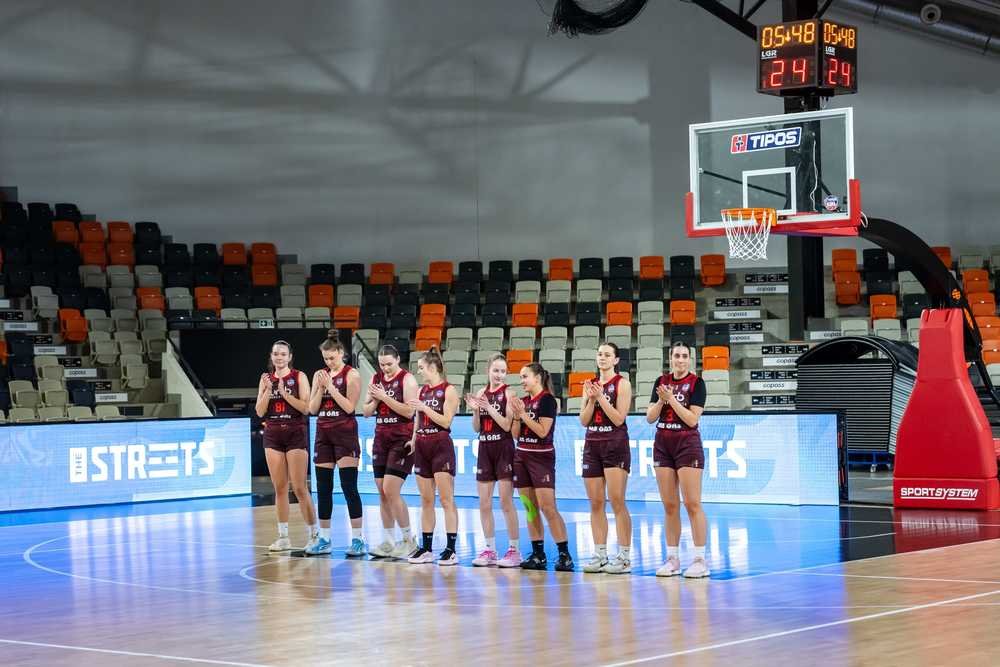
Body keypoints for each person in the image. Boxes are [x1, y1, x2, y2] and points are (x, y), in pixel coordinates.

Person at [646, 341, 710, 578]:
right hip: (663, 444)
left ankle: (700, 560)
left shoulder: (697, 383)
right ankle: (672, 559)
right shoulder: (660, 382)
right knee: (670, 505)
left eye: (684, 356)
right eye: (677, 356)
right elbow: (650, 417)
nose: (680, 360)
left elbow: (692, 419)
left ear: (690, 359)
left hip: (687, 444)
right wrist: (661, 400)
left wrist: (671, 399)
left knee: (692, 503)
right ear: (670, 358)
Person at [305, 331, 366, 557]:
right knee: (323, 489)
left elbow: (350, 407)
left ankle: (358, 539)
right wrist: (321, 388)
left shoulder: (352, 374)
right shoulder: (319, 375)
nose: (329, 362)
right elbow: (312, 409)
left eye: (332, 357)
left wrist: (330, 387)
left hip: (345, 433)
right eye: (325, 358)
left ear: (341, 353)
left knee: (349, 487)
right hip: (323, 433)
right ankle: (324, 539)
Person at [254, 340, 319, 552]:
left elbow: (306, 408)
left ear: (290, 357)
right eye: (276, 354)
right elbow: (260, 411)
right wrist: (268, 390)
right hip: (273, 433)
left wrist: (284, 393)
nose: (279, 357)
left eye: (283, 354)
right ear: (271, 357)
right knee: (280, 488)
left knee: (299, 487)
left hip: (295, 431)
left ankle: (314, 535)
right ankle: (283, 537)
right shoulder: (265, 379)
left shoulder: (299, 376)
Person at [510, 363, 574, 572]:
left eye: (525, 376)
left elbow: (543, 432)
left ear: (537, 378)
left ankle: (564, 554)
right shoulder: (524, 401)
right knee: (530, 507)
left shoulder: (547, 400)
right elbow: (516, 435)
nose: (522, 381)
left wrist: (523, 415)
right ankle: (538, 554)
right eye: (521, 377)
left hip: (541, 457)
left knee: (548, 507)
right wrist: (517, 416)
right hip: (521, 456)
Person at [579, 342, 633, 575]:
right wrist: (591, 399)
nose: (602, 358)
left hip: (614, 443)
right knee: (595, 502)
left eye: (607, 355)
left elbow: (619, 418)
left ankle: (624, 556)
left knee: (617, 500)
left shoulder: (622, 383)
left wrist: (600, 397)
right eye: (600, 354)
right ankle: (600, 554)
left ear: (616, 360)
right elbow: (584, 420)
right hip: (592, 443)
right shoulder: (589, 384)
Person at [362, 345, 420, 559]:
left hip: (401, 439)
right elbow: (366, 411)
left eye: (389, 364)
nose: (385, 368)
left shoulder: (407, 379)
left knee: (390, 489)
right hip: (381, 438)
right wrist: (377, 399)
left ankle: (408, 540)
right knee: (382, 491)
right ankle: (388, 541)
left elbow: (409, 411)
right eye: (382, 364)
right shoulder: (375, 379)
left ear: (397, 360)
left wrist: (384, 397)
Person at [406, 347, 461, 566]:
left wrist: (424, 408)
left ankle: (451, 549)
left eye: (421, 367)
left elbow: (446, 421)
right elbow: (417, 419)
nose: (419, 371)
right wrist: (413, 439)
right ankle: (427, 548)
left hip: (440, 444)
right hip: (422, 444)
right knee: (426, 500)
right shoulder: (422, 391)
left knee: (446, 500)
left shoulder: (449, 390)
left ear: (432, 367)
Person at [467, 354, 521, 568]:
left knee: (506, 502)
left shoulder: (509, 393)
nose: (499, 375)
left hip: (503, 448)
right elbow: (476, 428)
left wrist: (488, 408)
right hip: (484, 448)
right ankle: (490, 549)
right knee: (484, 503)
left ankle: (514, 550)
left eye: (503, 371)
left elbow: (507, 425)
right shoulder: (481, 393)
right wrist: (475, 412)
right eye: (496, 370)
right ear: (488, 370)